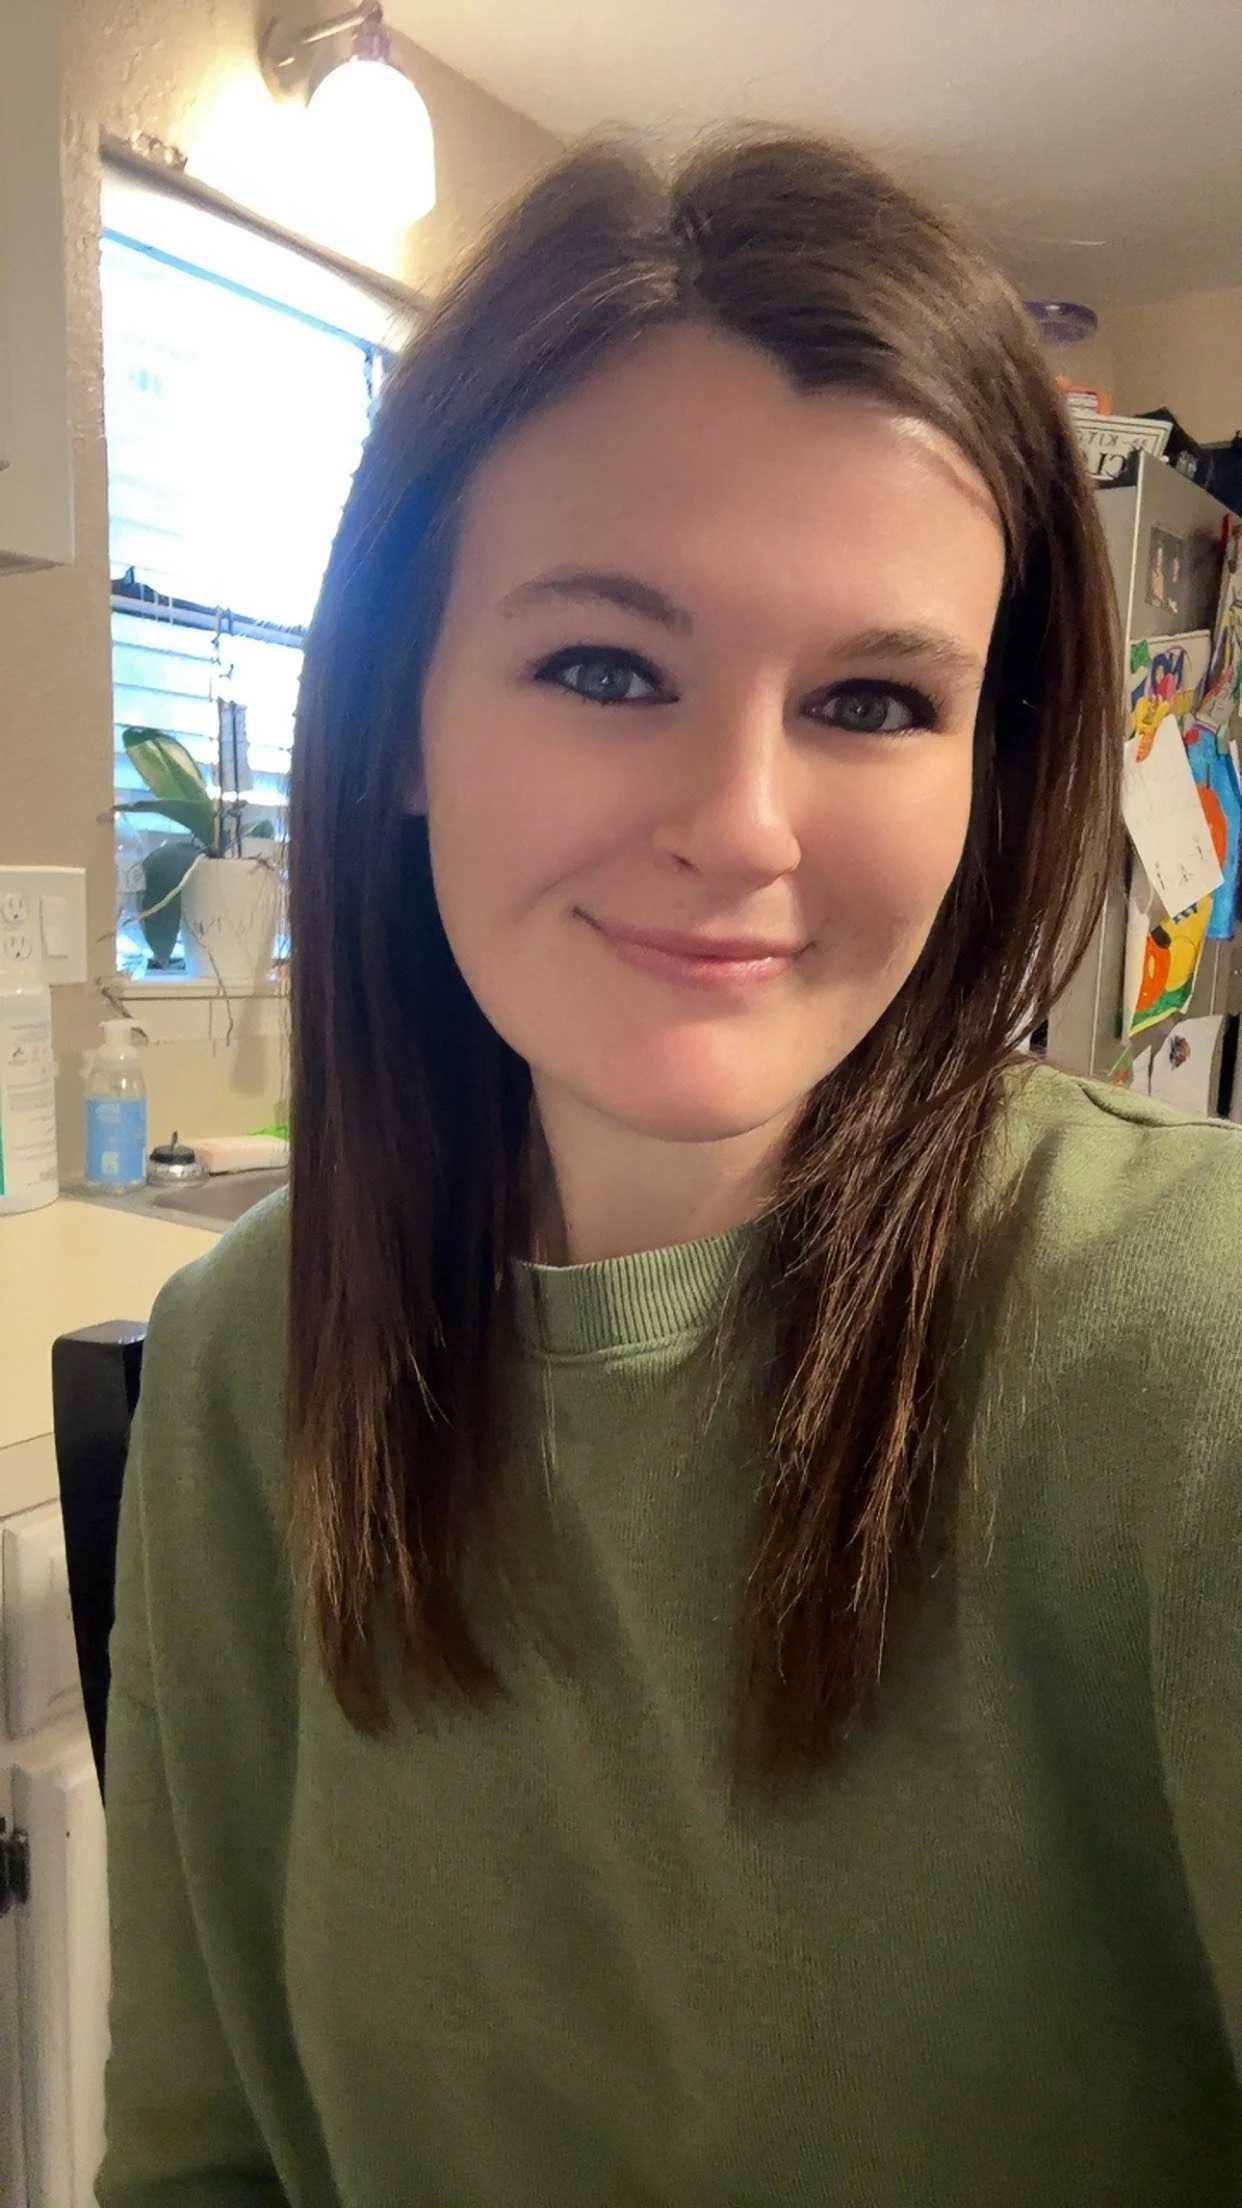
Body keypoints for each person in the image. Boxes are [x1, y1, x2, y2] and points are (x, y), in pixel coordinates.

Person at [96, 129, 1242, 2207]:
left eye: (873, 699)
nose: (742, 823)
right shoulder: (244, 1360)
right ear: (402, 720)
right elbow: (200, 2161)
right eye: (606, 668)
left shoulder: (1196, 1353)